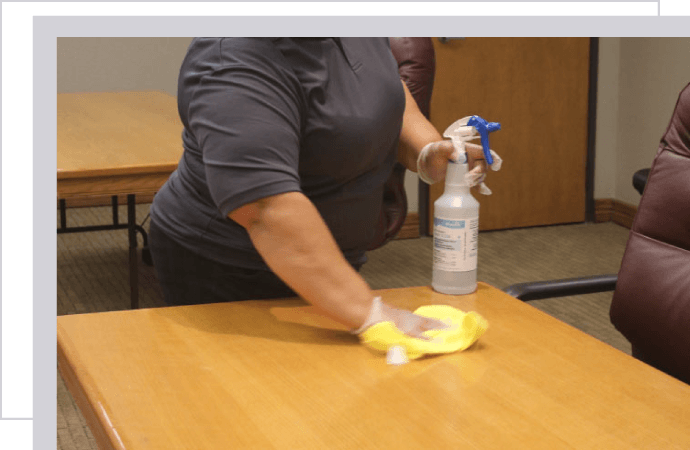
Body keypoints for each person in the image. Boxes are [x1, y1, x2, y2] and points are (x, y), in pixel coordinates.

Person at [148, 37, 493, 340]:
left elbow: (381, 90)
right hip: (233, 268)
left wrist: (427, 150)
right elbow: (267, 209)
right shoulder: (233, 57)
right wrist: (370, 313)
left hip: (324, 255)